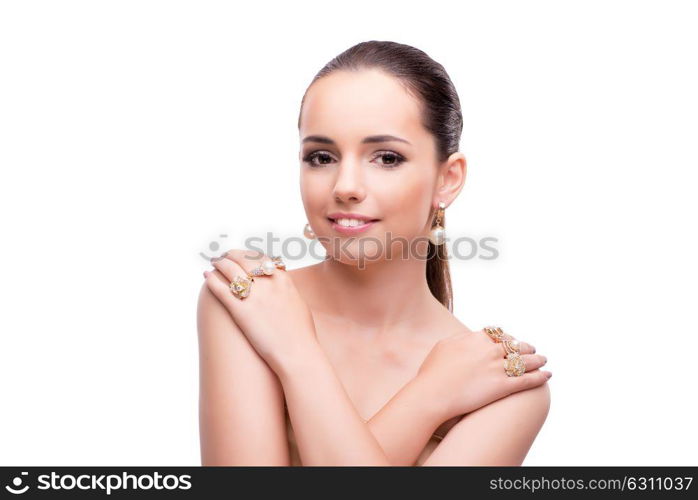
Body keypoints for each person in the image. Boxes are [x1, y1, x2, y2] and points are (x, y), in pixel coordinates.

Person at [197, 40, 552, 466]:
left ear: (448, 179)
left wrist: (297, 354)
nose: (345, 186)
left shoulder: (500, 378)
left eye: (386, 157)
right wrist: (428, 400)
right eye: (321, 156)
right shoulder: (249, 300)